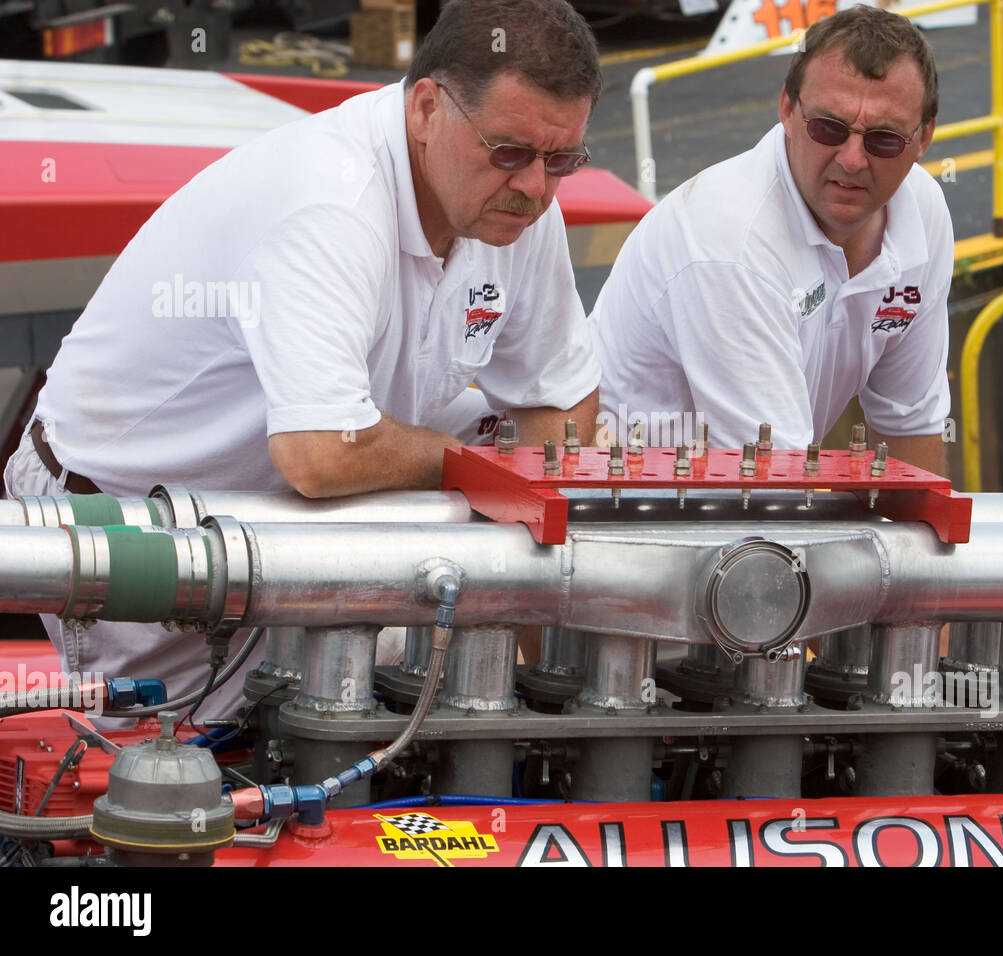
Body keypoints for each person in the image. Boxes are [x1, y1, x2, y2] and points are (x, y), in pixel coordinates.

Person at [2, 0, 604, 722]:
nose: (537, 187)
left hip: (288, 518)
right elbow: (322, 454)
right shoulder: (329, 201)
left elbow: (566, 408)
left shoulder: (516, 200)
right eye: (509, 152)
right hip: (127, 517)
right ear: (425, 108)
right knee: (182, 783)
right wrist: (480, 471)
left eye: (563, 159)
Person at [590, 5, 952, 476]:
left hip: (735, 500)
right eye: (828, 128)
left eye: (883, 138)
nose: (852, 159)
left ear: (924, 137)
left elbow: (910, 429)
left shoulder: (922, 211)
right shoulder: (731, 242)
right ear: (786, 109)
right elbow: (776, 486)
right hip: (618, 508)